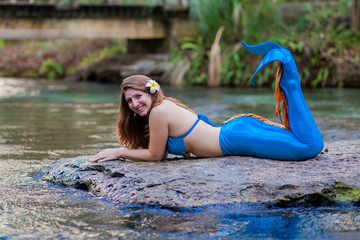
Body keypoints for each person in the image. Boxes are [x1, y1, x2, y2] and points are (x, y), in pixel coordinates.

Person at [91, 41, 324, 163]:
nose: (133, 103)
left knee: (310, 147)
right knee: (303, 142)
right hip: (235, 133)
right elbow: (159, 153)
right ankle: (287, 81)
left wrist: (120, 152)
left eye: (137, 96)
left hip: (234, 139)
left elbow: (154, 156)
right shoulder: (164, 106)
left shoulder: (158, 113)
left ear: (151, 92)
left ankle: (288, 78)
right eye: (129, 100)